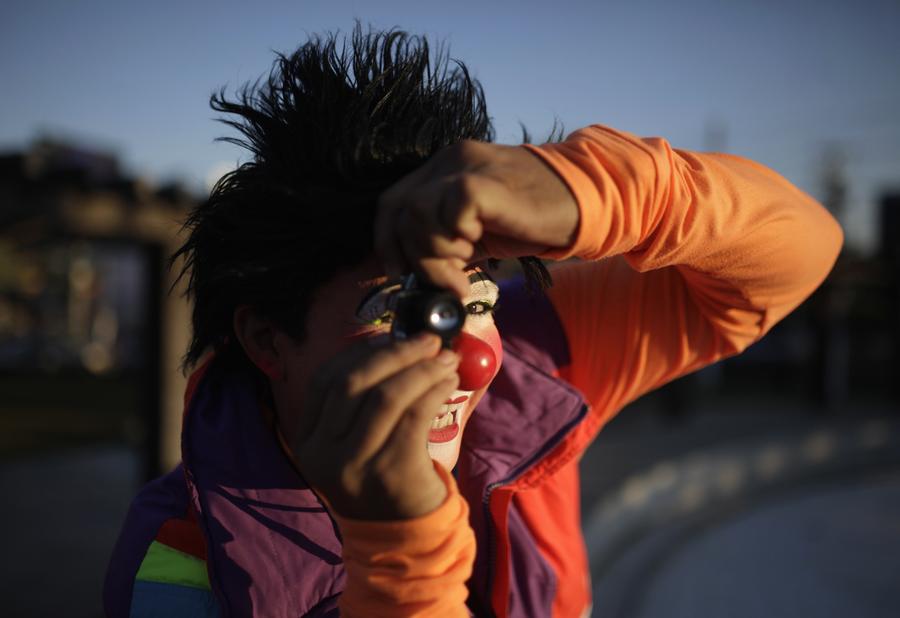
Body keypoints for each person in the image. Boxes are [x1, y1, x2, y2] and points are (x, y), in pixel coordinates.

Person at [104, 27, 842, 618]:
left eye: (480, 301)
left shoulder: (540, 356)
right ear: (268, 339)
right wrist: (401, 553)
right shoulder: (180, 569)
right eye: (405, 309)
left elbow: (800, 254)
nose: (477, 361)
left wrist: (605, 189)